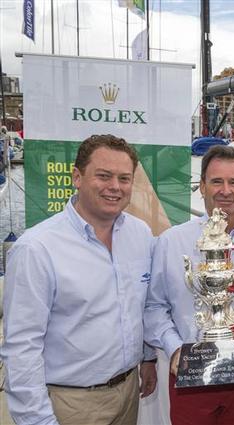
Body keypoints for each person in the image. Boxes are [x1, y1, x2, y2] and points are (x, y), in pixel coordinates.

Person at [1, 134, 157, 425]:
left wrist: (147, 358)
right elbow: (22, 346)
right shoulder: (37, 249)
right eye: (104, 176)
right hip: (71, 404)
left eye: (124, 179)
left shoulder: (141, 235)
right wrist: (37, 420)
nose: (115, 187)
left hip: (128, 394)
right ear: (77, 177)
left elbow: (142, 306)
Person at [143, 145, 234, 425]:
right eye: (216, 181)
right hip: (190, 372)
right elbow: (154, 307)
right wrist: (175, 348)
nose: (225, 190)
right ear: (202, 186)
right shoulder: (170, 242)